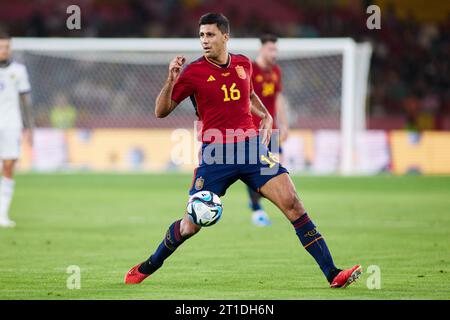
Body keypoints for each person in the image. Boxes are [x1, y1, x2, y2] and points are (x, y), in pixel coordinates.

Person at [125, 13, 361, 288]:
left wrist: (266, 116)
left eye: (210, 34)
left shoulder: (243, 64)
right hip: (216, 155)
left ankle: (333, 274)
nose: (204, 40)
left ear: (225, 36)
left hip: (251, 149)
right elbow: (160, 111)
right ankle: (149, 265)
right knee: (191, 225)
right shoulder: (193, 73)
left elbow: (247, 96)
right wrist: (171, 79)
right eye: (201, 35)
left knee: (293, 204)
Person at [248, 34, 289, 226]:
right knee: (254, 170)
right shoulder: (249, 69)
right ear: (261, 49)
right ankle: (257, 211)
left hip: (271, 130)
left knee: (272, 170)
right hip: (251, 129)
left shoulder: (276, 71)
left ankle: (256, 202)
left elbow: (278, 98)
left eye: (276, 50)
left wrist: (284, 123)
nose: (274, 53)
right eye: (270, 49)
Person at [0, 31, 33, 227]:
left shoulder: (18, 70)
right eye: (1, 47)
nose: (4, 50)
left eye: (6, 47)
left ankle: (2, 214)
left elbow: (26, 101)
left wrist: (31, 128)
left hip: (12, 124)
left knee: (9, 166)